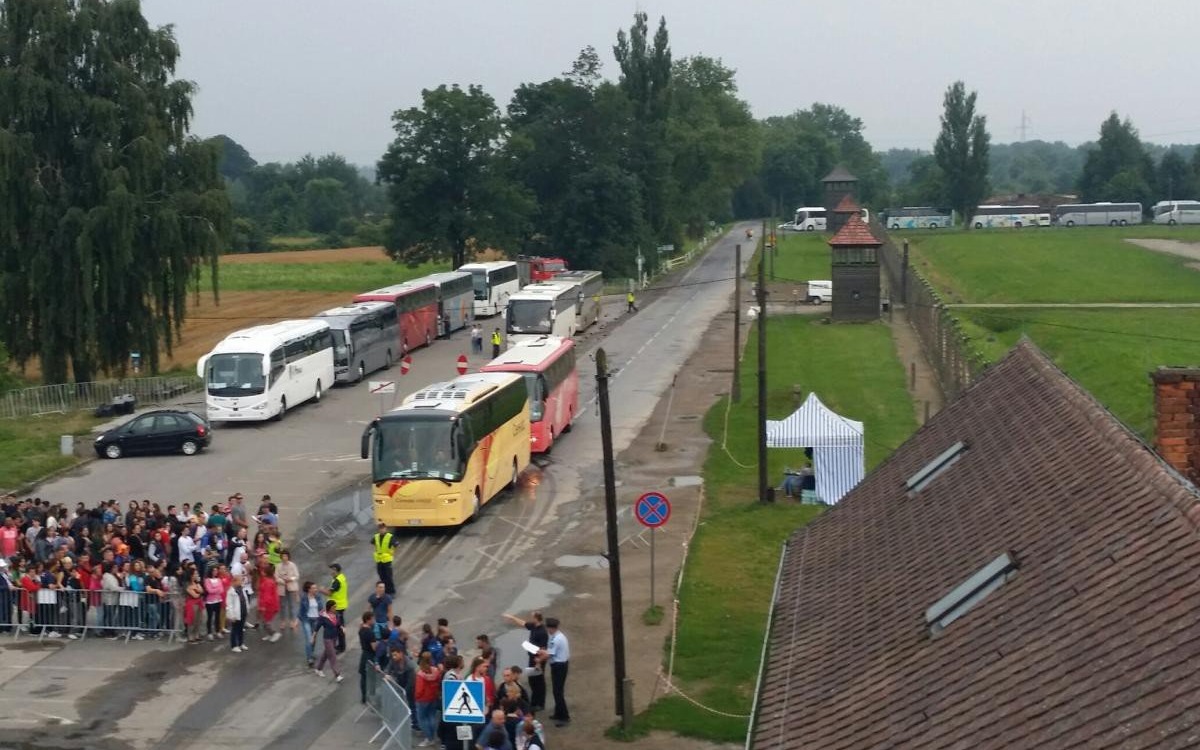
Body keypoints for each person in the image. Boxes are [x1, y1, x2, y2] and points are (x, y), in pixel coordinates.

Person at [503, 610, 547, 711]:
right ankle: (535, 701)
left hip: (537, 660)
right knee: (532, 680)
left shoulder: (542, 632)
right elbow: (523, 623)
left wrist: (538, 662)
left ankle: (540, 703)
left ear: (536, 618)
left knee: (539, 682)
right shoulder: (534, 626)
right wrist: (512, 618)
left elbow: (543, 649)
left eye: (532, 617)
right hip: (532, 657)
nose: (531, 619)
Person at [540, 617, 570, 726]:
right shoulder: (560, 636)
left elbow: (549, 654)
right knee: (557, 691)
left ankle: (564, 716)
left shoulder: (555, 639)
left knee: (558, 692)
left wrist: (539, 657)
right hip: (562, 665)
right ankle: (558, 712)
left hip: (558, 666)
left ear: (550, 628)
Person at [414, 652, 443, 748]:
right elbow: (439, 682)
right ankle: (433, 737)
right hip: (433, 697)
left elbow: (419, 689)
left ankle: (429, 738)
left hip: (422, 699)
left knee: (422, 719)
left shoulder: (420, 674)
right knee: (431, 717)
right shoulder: (436, 671)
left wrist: (416, 697)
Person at [312, 600, 344, 682]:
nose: (335, 608)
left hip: (334, 637)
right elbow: (317, 627)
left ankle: (318, 669)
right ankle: (337, 674)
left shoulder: (336, 615)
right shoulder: (323, 617)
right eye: (334, 607)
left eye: (336, 607)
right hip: (327, 639)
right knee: (332, 656)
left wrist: (342, 628)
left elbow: (338, 624)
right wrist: (314, 636)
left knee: (325, 654)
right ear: (329, 607)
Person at [321, 563, 349, 653]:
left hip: (338, 607)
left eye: (332, 570)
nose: (330, 572)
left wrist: (321, 590)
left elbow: (329, 593)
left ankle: (341, 647)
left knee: (339, 628)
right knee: (339, 626)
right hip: (339, 606)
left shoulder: (337, 581)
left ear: (335, 570)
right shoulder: (341, 578)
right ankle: (341, 645)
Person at [298, 581, 324, 667]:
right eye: (314, 588)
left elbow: (321, 609)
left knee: (314, 638)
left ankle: (311, 653)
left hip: (316, 620)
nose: (316, 589)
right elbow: (301, 610)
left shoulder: (318, 597)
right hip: (306, 620)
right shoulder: (304, 598)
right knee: (309, 639)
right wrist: (296, 621)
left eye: (316, 588)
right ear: (309, 590)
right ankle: (310, 659)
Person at [275, 549, 300, 631]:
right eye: (283, 556)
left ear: (288, 557)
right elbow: (276, 577)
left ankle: (292, 621)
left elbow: (296, 575)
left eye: (286, 556)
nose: (284, 558)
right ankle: (282, 621)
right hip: (282, 588)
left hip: (291, 587)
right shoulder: (278, 566)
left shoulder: (292, 565)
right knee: (282, 606)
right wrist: (283, 581)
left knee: (291, 605)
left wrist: (291, 579)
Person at [371, 523, 399, 595]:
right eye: (380, 529)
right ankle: (384, 591)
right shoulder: (376, 536)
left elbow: (396, 545)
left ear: (385, 529)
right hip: (379, 560)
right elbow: (372, 543)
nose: (381, 530)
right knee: (381, 576)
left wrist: (392, 552)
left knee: (388, 577)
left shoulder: (390, 537)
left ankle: (392, 592)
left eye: (383, 528)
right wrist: (375, 551)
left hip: (387, 560)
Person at [225, 573, 250, 653]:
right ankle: (234, 645)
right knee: (235, 629)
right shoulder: (231, 592)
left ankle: (241, 643)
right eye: (240, 580)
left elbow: (245, 600)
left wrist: (247, 609)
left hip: (243, 612)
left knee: (241, 629)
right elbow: (229, 605)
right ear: (235, 581)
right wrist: (231, 616)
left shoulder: (241, 589)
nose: (241, 582)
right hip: (236, 614)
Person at [258, 563, 281, 642]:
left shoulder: (268, 582)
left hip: (269, 605)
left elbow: (267, 596)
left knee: (266, 621)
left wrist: (263, 606)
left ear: (265, 572)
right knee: (265, 621)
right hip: (269, 604)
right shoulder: (269, 579)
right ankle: (269, 634)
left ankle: (274, 633)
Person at [358, 612, 378, 704]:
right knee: (372, 677)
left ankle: (363, 697)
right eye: (372, 619)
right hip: (370, 656)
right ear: (368, 620)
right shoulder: (370, 633)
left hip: (364, 655)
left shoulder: (361, 630)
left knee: (363, 677)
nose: (373, 620)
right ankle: (372, 697)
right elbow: (374, 647)